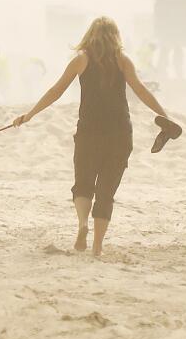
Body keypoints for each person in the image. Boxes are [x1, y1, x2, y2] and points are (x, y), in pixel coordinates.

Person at [13, 17, 174, 256]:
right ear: (115, 37)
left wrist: (30, 114)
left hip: (89, 132)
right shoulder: (123, 61)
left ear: (90, 35)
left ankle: (82, 225)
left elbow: (57, 90)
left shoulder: (81, 60)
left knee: (83, 184)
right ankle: (97, 247)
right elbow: (140, 90)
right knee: (106, 192)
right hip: (119, 133)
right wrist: (164, 115)